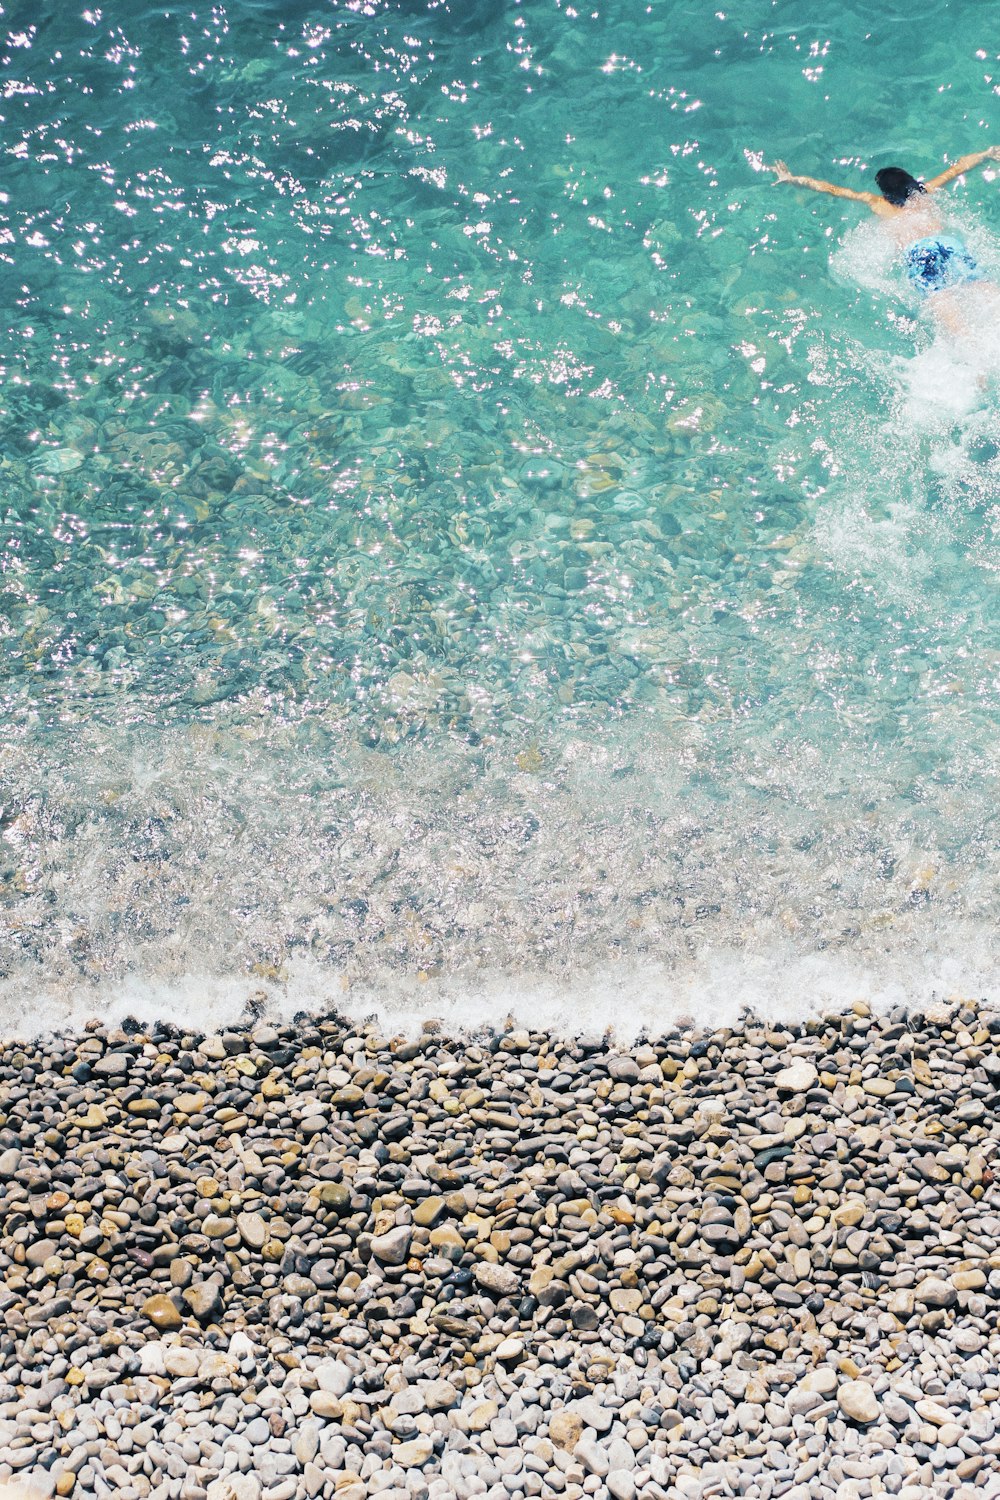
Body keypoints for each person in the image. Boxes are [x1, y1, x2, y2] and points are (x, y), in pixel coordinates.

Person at [766, 148, 1000, 345]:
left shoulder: (876, 202)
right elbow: (959, 167)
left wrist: (793, 179)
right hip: (947, 245)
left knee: (943, 305)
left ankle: (971, 353)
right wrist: (988, 153)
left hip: (919, 253)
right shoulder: (924, 192)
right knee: (982, 286)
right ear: (910, 181)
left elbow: (833, 189)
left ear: (885, 192)